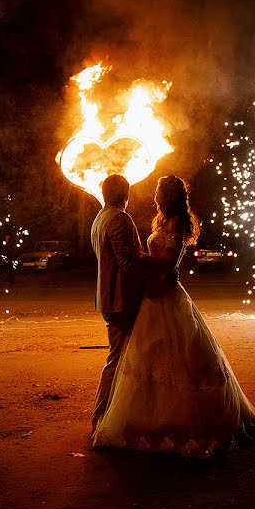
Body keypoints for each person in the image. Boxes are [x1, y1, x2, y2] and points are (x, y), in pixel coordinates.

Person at [92, 175, 255, 457]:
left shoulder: (176, 223)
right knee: (141, 358)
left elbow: (166, 262)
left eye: (158, 191)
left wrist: (156, 268)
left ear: (167, 196)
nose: (154, 195)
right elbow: (138, 260)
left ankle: (171, 420)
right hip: (150, 294)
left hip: (164, 295)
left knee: (172, 357)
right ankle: (141, 415)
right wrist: (148, 266)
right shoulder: (156, 221)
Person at [90, 174, 174, 431]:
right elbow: (127, 264)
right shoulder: (119, 218)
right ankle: (102, 417)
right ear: (125, 195)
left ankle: (117, 414)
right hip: (121, 299)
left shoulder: (100, 218)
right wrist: (160, 267)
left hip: (108, 298)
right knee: (118, 360)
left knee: (125, 357)